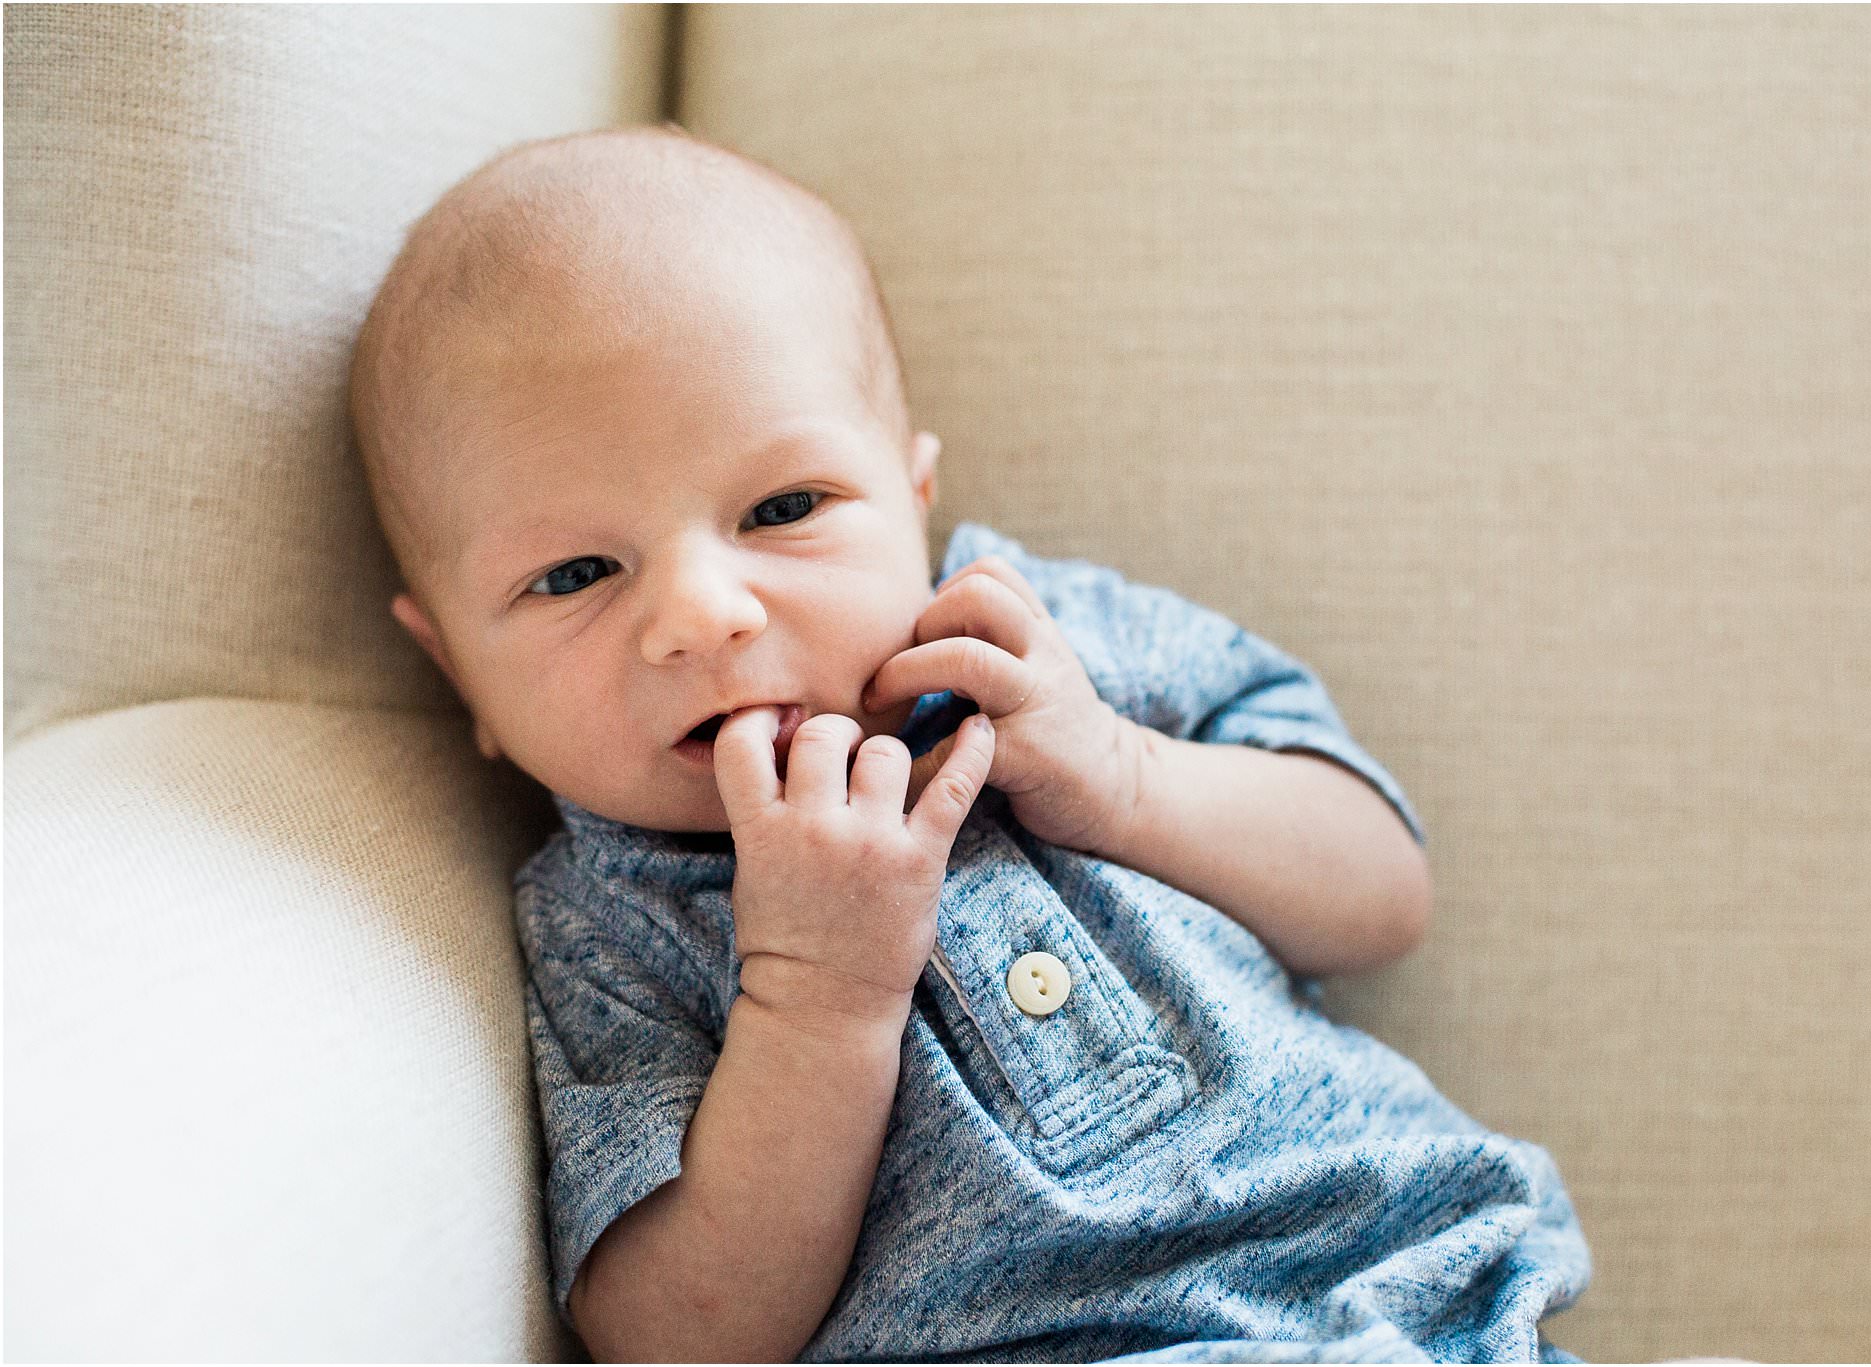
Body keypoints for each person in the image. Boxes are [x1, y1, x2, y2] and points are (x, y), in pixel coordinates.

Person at [347, 122, 1591, 1363]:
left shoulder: (1043, 646)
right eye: (572, 574)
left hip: (1420, 1295)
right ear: (457, 666)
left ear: (912, 493)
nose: (702, 616)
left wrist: (1124, 778)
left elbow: (1381, 892)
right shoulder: (607, 921)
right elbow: (678, 1337)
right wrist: (815, 995)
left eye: (784, 508)